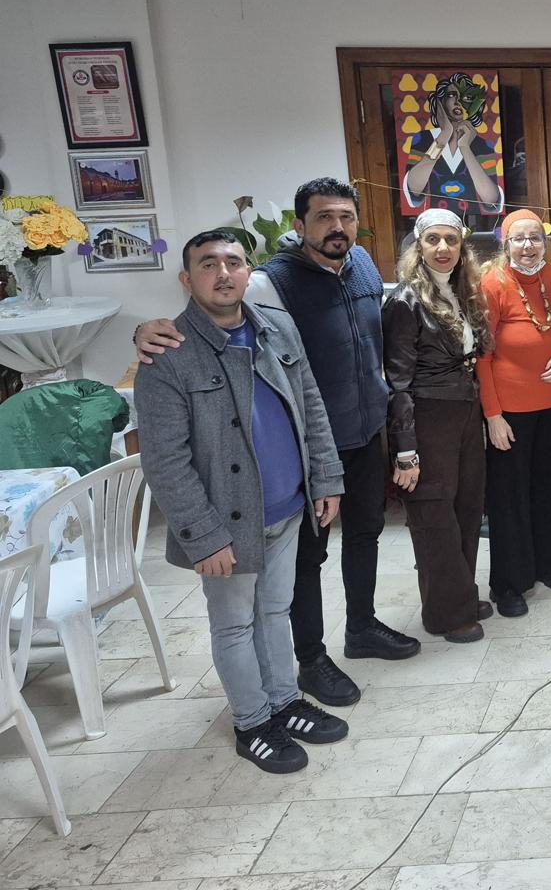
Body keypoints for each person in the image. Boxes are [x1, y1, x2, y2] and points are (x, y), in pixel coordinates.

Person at [134, 177, 418, 709]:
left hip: (363, 431)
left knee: (366, 533)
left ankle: (362, 626)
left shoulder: (360, 264)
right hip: (309, 445)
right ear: (299, 224)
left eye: (346, 216)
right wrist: (145, 329)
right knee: (306, 560)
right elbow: (217, 315)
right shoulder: (271, 281)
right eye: (324, 217)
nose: (337, 227)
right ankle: (310, 658)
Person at [134, 232, 348, 774]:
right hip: (227, 523)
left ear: (248, 273)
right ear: (187, 279)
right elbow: (165, 461)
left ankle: (283, 702)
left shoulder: (276, 328)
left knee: (275, 611)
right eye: (208, 264)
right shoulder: (167, 354)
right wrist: (202, 537)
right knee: (234, 625)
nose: (223, 273)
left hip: (287, 506)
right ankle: (252, 723)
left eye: (233, 262)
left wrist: (326, 478)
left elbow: (311, 404)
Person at [384, 209, 493, 642]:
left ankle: (461, 593)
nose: (443, 248)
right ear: (419, 246)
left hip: (464, 412)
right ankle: (446, 613)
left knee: (467, 508)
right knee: (435, 517)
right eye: (433, 240)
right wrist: (405, 449)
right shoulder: (404, 301)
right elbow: (397, 382)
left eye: (451, 239)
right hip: (427, 418)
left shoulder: (461, 291)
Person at [478, 209, 551, 617]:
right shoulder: (492, 283)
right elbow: (482, 355)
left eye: (535, 237)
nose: (528, 246)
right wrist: (492, 415)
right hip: (509, 412)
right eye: (519, 238)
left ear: (546, 242)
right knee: (509, 499)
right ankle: (509, 583)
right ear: (505, 244)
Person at [402, 73, 505, 216]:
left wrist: (465, 148)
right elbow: (414, 189)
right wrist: (444, 135)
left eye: (466, 98)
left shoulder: (483, 145)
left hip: (474, 220)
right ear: (440, 102)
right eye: (452, 95)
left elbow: (491, 200)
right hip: (434, 220)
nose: (458, 102)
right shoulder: (423, 139)